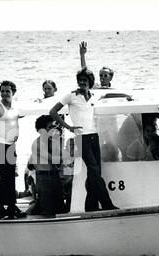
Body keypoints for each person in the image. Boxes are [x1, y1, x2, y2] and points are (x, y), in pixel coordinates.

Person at [50, 64, 118, 211]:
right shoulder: (71, 96)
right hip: (81, 138)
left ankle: (90, 206)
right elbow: (53, 111)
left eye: (85, 80)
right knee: (94, 170)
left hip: (94, 136)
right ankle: (107, 205)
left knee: (95, 173)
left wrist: (127, 96)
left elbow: (109, 94)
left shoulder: (93, 95)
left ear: (90, 82)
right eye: (80, 80)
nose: (82, 82)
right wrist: (68, 127)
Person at [0, 80, 25, 219]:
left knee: (9, 178)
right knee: (6, 178)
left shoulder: (14, 108)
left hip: (11, 146)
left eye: (7, 91)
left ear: (13, 92)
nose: (4, 94)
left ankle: (2, 208)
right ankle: (9, 207)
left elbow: (24, 113)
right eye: (2, 91)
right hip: (0, 145)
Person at [30, 115, 66, 217]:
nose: (53, 129)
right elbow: (55, 159)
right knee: (47, 210)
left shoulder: (51, 141)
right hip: (44, 178)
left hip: (54, 176)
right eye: (50, 127)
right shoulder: (38, 143)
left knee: (60, 209)